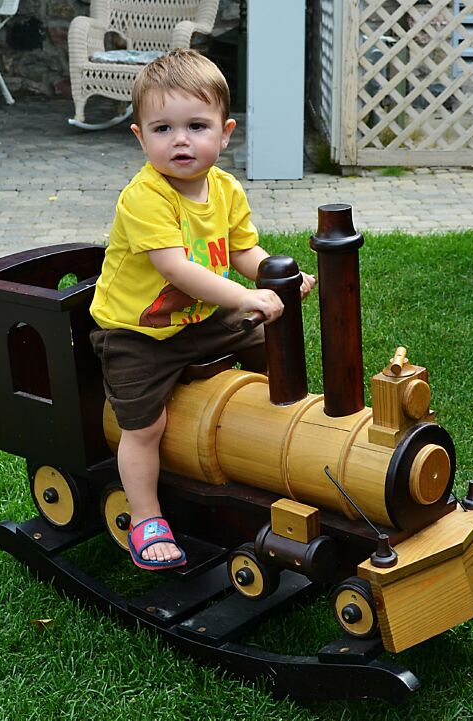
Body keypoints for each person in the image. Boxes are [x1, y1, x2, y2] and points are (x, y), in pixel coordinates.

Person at [89, 49, 315, 571]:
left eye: (196, 125)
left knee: (267, 342)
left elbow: (242, 252)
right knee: (143, 426)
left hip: (198, 320)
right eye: (163, 128)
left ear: (225, 132)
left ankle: (283, 434)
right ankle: (146, 517)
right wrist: (244, 297)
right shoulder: (144, 197)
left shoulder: (226, 189)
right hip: (137, 333)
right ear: (140, 137)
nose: (181, 140)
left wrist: (275, 278)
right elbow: (177, 270)